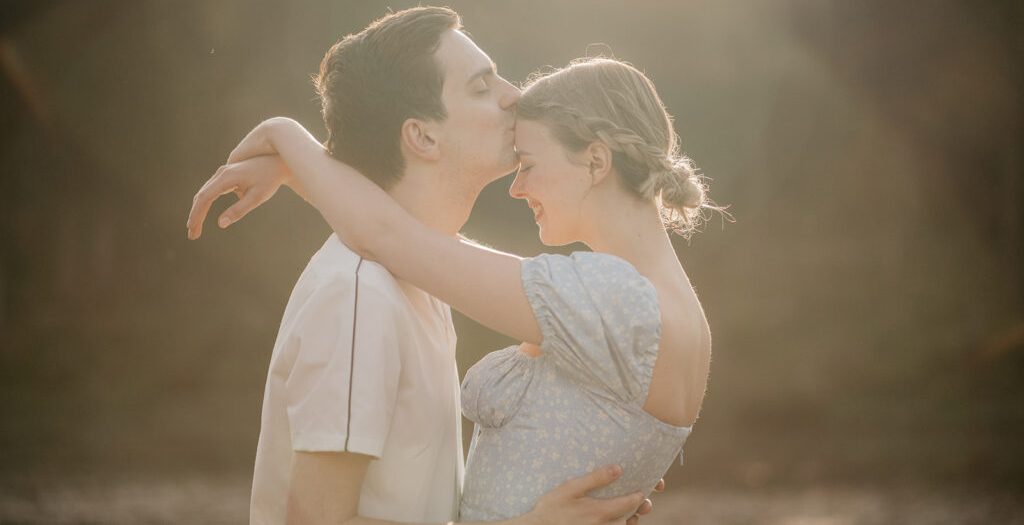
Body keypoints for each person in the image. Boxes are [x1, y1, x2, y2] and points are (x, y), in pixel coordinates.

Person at [189, 49, 714, 521]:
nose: (517, 187)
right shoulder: (659, 308)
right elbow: (412, 240)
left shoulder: (615, 302)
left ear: (596, 161)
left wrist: (286, 138)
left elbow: (390, 237)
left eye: (529, 164)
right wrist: (298, 175)